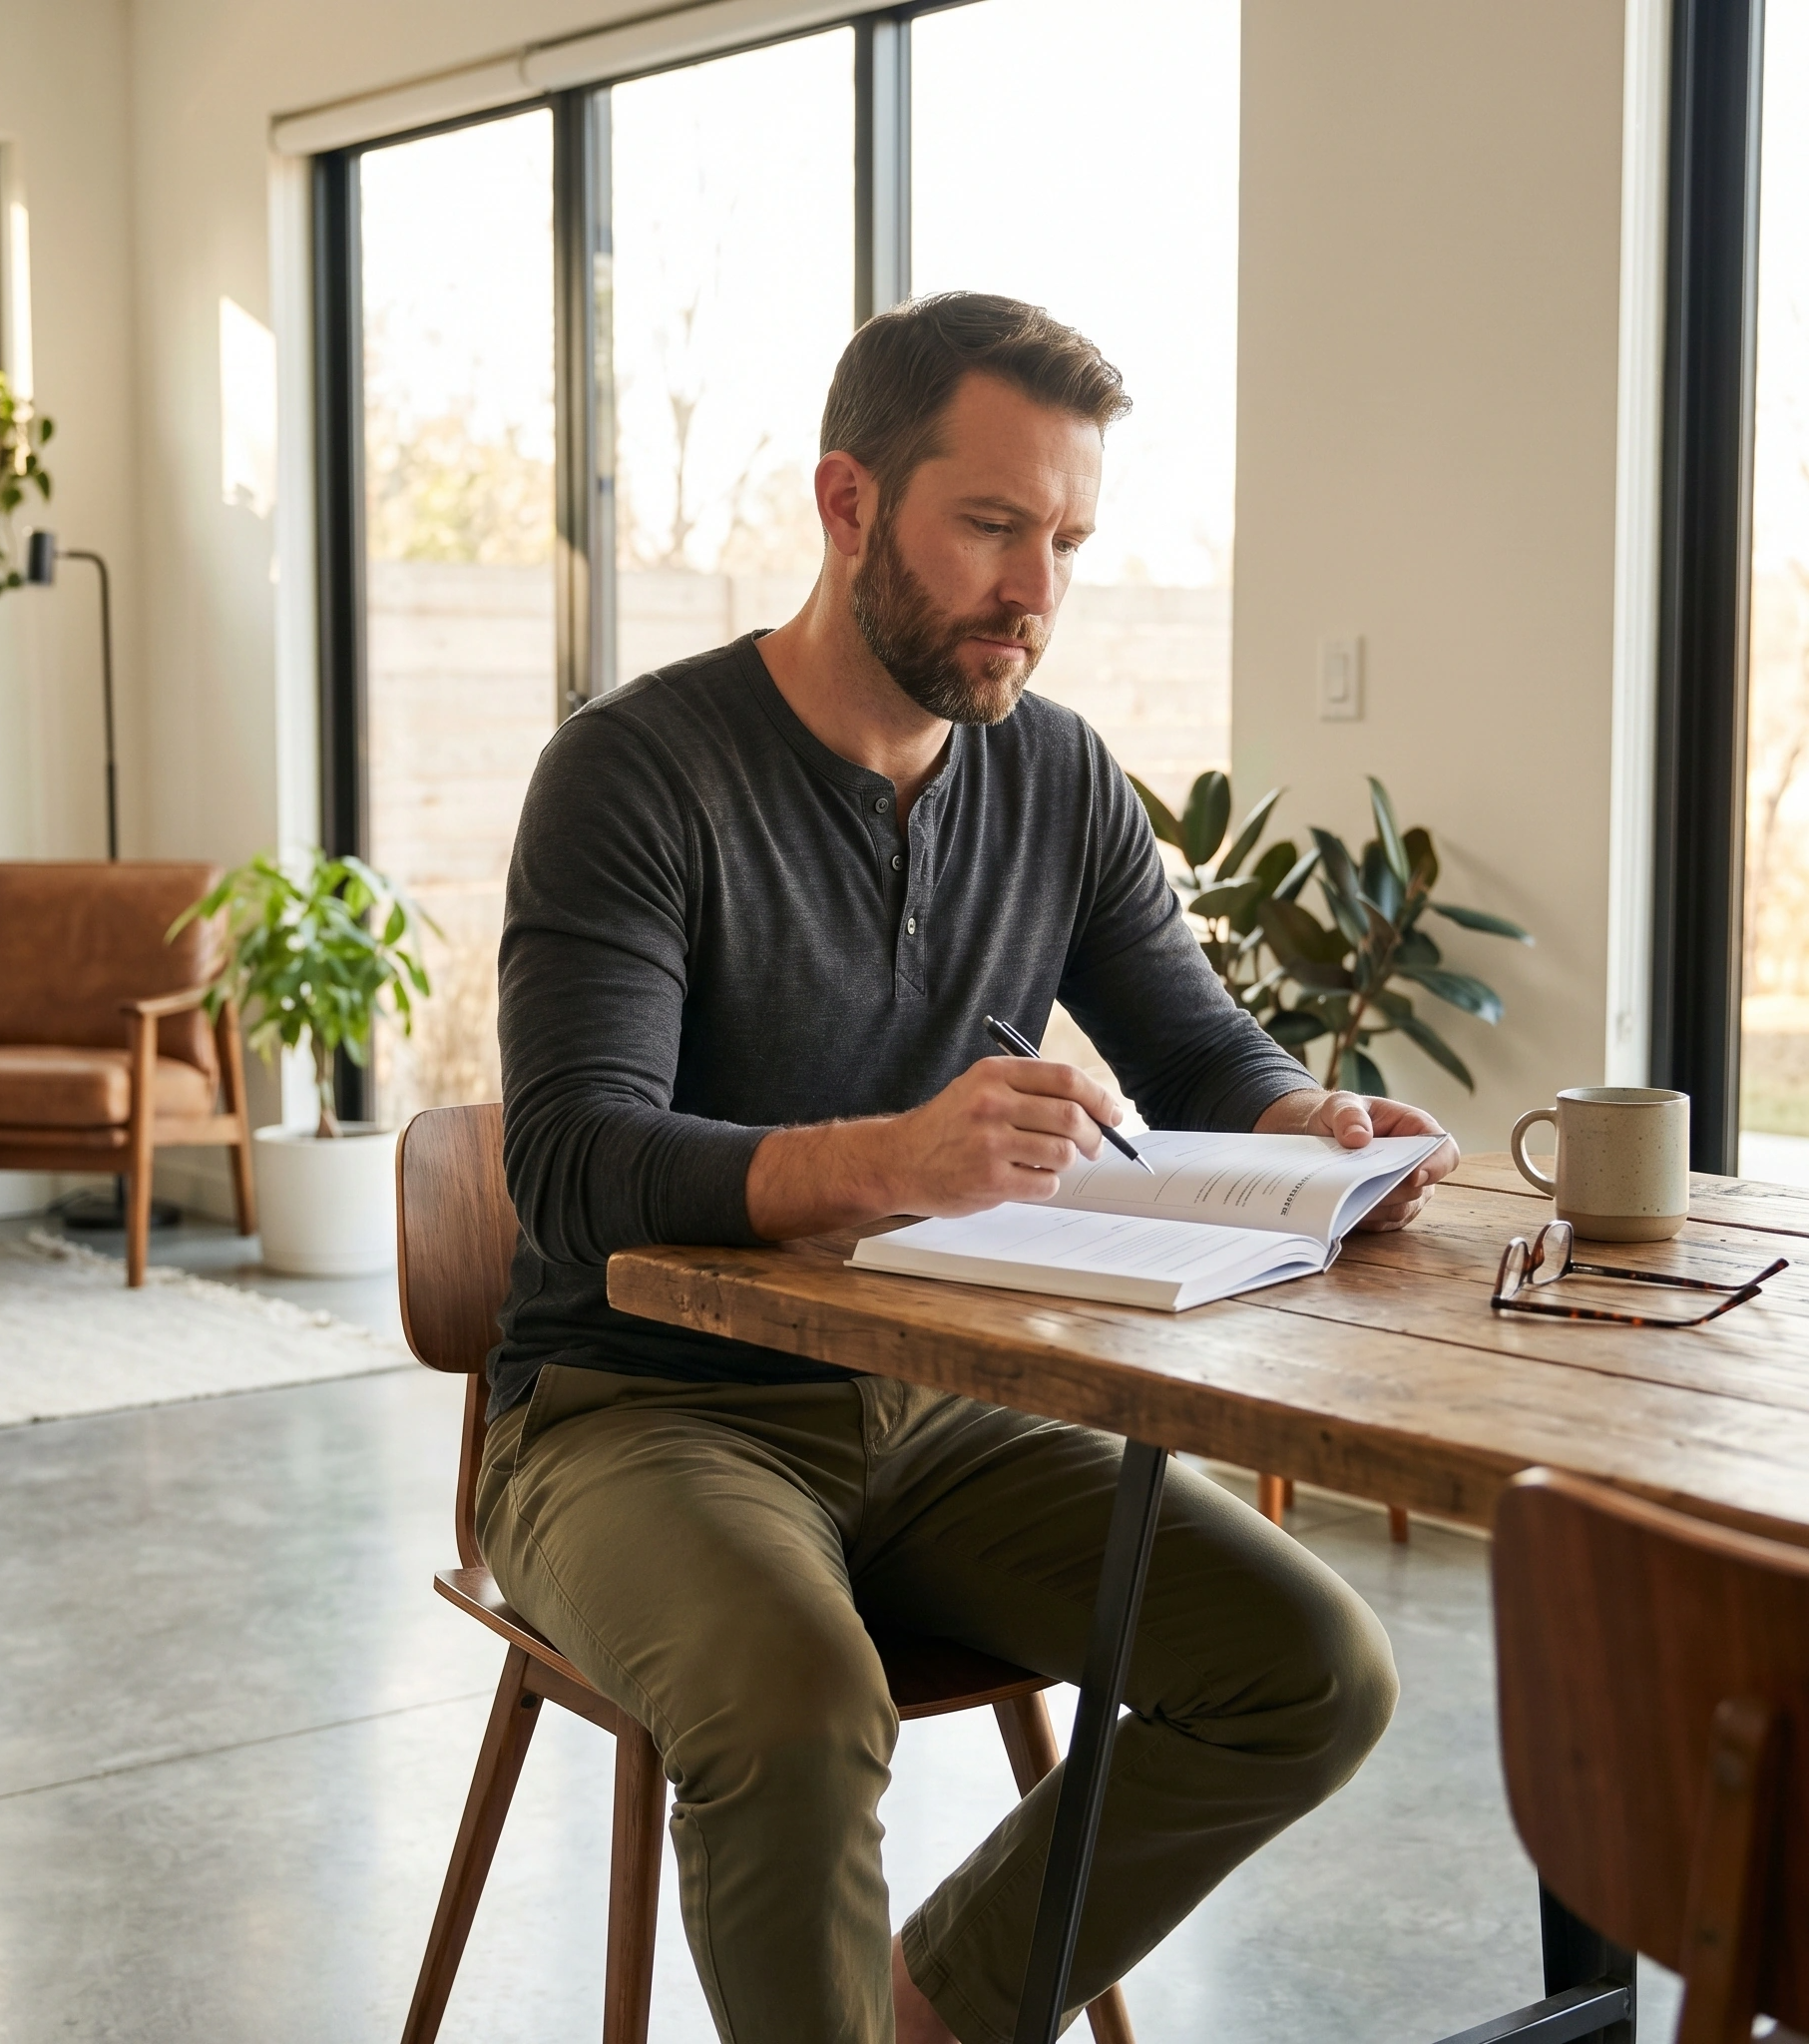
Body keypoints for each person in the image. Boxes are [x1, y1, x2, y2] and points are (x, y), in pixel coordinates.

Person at [477, 291, 1459, 2044]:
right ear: (849, 502)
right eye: (993, 526)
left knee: (1311, 1672)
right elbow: (570, 1161)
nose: (1035, 592)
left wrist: (1310, 1120)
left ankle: (924, 2014)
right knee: (794, 1708)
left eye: (1066, 541)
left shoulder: (1058, 775)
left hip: (939, 1402)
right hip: (636, 1412)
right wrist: (893, 1160)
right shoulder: (635, 772)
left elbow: (1197, 1049)